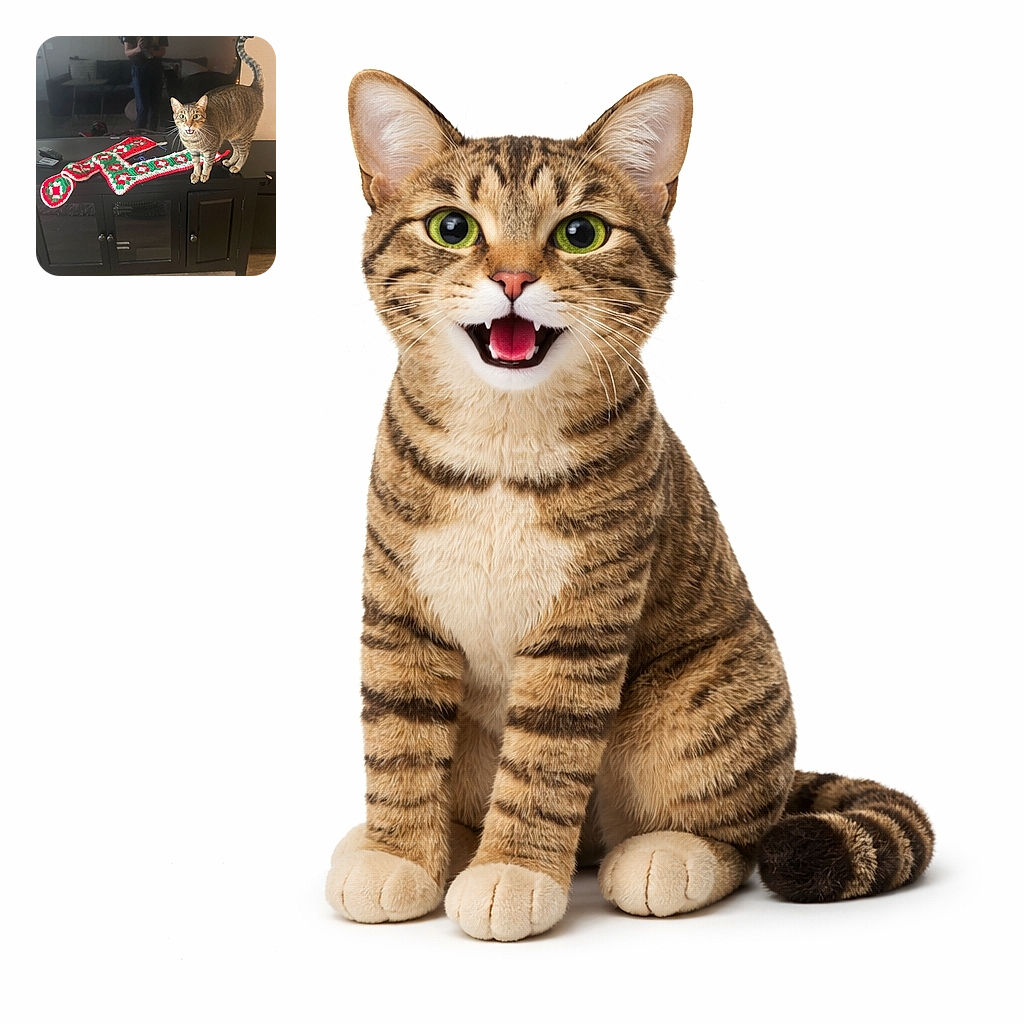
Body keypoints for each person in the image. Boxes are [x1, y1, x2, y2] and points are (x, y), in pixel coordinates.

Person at [121, 36, 168, 131]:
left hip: (156, 68)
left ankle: (153, 133)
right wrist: (138, 49)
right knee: (142, 106)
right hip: (139, 69)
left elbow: (163, 51)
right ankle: (140, 134)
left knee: (155, 105)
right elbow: (127, 52)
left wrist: (152, 52)